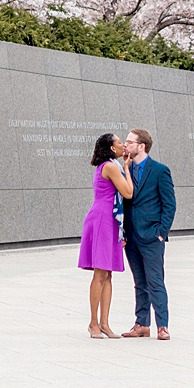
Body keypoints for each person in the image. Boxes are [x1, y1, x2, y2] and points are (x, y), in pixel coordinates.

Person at [119, 128, 176, 340]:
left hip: (152, 236)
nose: (125, 145)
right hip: (131, 236)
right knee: (139, 281)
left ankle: (163, 325)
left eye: (130, 142)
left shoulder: (160, 171)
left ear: (141, 146)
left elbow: (169, 205)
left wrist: (161, 233)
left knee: (156, 281)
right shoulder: (124, 169)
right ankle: (141, 323)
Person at [79, 133, 133, 339]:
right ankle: (93, 323)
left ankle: (105, 323)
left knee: (108, 274)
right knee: (100, 274)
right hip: (102, 219)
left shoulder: (111, 165)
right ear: (112, 148)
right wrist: (127, 169)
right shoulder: (110, 167)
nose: (123, 145)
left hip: (109, 220)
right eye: (120, 142)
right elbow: (128, 193)